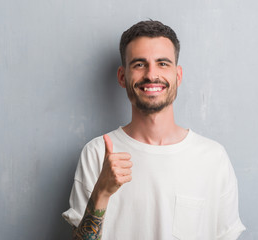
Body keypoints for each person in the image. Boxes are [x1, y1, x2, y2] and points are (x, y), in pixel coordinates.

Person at [62, 20, 246, 240]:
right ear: (122, 76)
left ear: (178, 75)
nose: (151, 75)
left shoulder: (213, 158)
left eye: (162, 63)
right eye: (140, 64)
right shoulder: (96, 154)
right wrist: (101, 192)